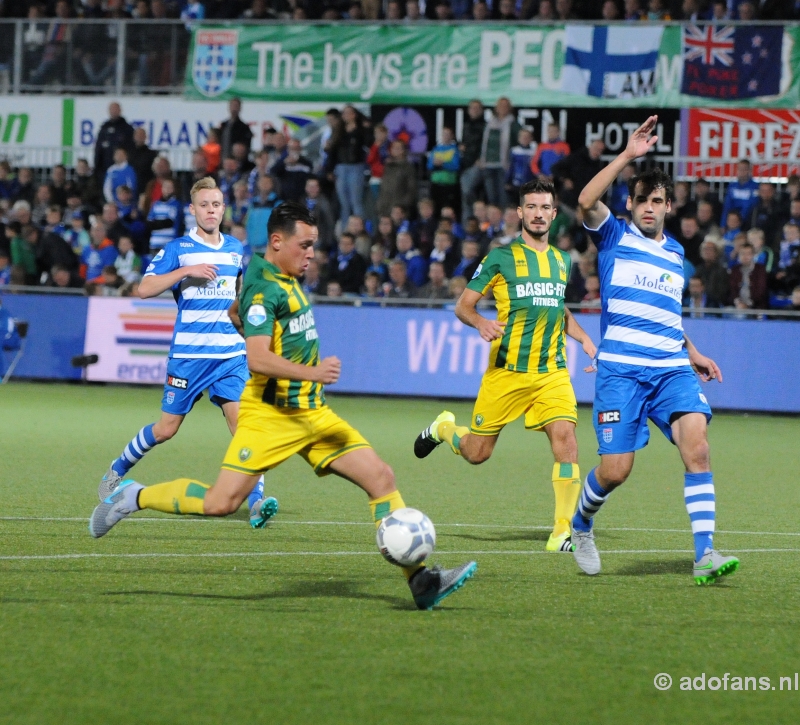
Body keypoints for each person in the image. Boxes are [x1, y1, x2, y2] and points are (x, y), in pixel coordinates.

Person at [89, 202, 477, 611]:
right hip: (272, 417)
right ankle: (134, 496)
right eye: (305, 245)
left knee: (381, 477)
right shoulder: (267, 288)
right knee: (221, 504)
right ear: (278, 241)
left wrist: (246, 320)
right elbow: (256, 357)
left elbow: (234, 310)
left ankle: (420, 581)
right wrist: (314, 372)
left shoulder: (264, 271)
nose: (312, 254)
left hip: (313, 413)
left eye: (314, 245)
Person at [572, 115, 738, 585]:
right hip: (621, 372)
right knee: (616, 471)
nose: (649, 207)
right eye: (642, 199)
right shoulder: (613, 235)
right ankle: (581, 523)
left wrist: (693, 351)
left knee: (698, 450)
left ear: (669, 206)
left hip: (670, 369)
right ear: (630, 204)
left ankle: (705, 554)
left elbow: (666, 315)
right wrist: (626, 157)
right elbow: (585, 200)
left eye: (658, 200)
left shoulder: (676, 257)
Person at [414, 178, 597, 553]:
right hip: (507, 372)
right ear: (520, 213)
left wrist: (584, 339)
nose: (539, 214)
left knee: (567, 441)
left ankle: (562, 531)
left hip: (551, 370)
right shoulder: (500, 257)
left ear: (552, 213)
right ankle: (445, 428)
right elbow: (463, 305)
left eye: (546, 207)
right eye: (532, 207)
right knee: (477, 453)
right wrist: (481, 322)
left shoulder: (563, 261)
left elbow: (557, 309)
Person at [96, 178, 269, 520]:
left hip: (229, 355)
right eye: (204, 205)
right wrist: (185, 271)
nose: (211, 211)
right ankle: (115, 473)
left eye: (216, 205)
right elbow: (143, 289)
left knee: (245, 426)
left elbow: (236, 296)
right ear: (192, 210)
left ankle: (258, 501)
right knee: (166, 429)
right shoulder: (177, 249)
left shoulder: (235, 248)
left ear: (223, 209)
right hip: (189, 356)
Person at [94, 103, 135, 182]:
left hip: (121, 171)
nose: (113, 111)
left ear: (120, 110)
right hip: (104, 169)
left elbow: (131, 149)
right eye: (111, 109)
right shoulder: (104, 128)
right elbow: (98, 148)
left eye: (115, 109)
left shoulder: (127, 129)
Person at [720, 159, 759, 230]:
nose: (742, 172)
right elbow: (727, 206)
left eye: (745, 169)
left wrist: (738, 220)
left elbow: (751, 206)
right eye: (740, 169)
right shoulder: (732, 186)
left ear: (750, 171)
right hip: (731, 222)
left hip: (747, 223)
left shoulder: (755, 187)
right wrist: (723, 224)